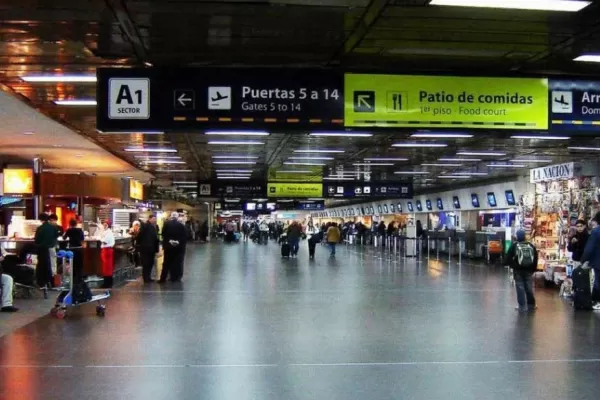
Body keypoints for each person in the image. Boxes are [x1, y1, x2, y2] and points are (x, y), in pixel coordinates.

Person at [505, 229, 538, 312]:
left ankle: (522, 306)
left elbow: (507, 258)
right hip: (529, 270)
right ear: (524, 236)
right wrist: (533, 268)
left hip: (518, 271)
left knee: (520, 288)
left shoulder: (514, 245)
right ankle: (531, 305)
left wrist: (514, 266)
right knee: (529, 287)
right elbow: (535, 257)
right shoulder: (530, 245)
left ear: (517, 236)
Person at [580, 212, 600, 309]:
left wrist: (583, 259)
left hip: (598, 262)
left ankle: (597, 301)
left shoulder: (596, 232)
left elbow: (589, 248)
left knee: (598, 281)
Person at [161, 212, 188, 283]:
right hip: (178, 247)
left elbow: (163, 234)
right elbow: (184, 236)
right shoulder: (181, 225)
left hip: (168, 247)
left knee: (166, 262)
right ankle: (175, 277)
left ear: (171, 216)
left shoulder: (166, 224)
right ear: (177, 217)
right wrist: (177, 242)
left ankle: (163, 278)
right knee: (177, 262)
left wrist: (170, 241)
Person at [34, 213, 58, 288]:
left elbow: (37, 240)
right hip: (51, 247)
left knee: (43, 265)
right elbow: (56, 236)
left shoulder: (40, 228)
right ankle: (53, 281)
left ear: (41, 219)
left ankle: (43, 281)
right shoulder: (53, 227)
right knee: (53, 264)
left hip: (42, 249)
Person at [137, 215, 160, 283]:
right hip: (146, 248)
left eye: (155, 219)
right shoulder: (145, 226)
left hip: (151, 248)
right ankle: (146, 278)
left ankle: (148, 277)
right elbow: (140, 235)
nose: (154, 220)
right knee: (146, 263)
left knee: (150, 263)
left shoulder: (153, 226)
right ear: (149, 219)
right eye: (153, 219)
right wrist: (142, 244)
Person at [63, 218, 85, 284]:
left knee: (73, 264)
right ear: (76, 224)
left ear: (70, 224)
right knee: (79, 264)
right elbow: (82, 238)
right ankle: (80, 278)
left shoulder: (69, 230)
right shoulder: (80, 230)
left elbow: (64, 238)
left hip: (72, 248)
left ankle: (73, 278)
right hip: (79, 248)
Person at [100, 220, 115, 288]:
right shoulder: (106, 232)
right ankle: (108, 283)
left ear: (108, 225)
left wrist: (100, 239)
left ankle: (107, 283)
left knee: (107, 268)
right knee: (106, 268)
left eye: (106, 224)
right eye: (104, 224)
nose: (104, 226)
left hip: (107, 250)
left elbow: (105, 242)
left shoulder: (108, 233)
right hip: (106, 251)